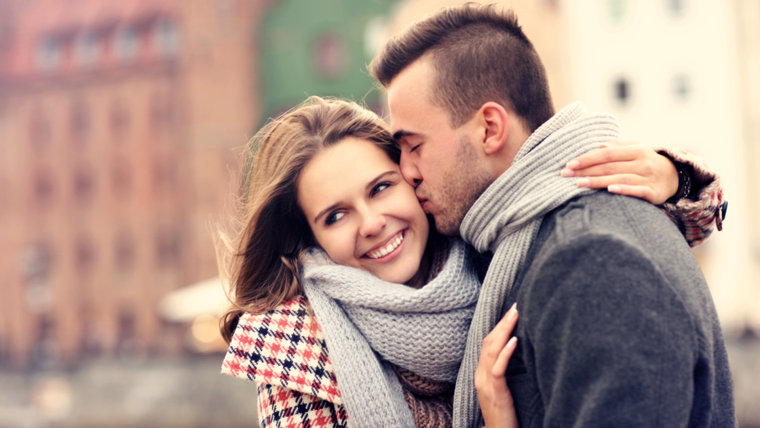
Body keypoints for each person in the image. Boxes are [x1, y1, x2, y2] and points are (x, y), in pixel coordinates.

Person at [218, 96, 725, 427]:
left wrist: (671, 177)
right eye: (335, 216)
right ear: (312, 239)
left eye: (380, 188)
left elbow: (673, 230)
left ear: (413, 178)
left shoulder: (484, 250)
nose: (370, 222)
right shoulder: (297, 355)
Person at [369, 4, 735, 427]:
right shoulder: (508, 240)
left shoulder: (591, 258)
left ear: (489, 128)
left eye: (414, 146)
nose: (407, 172)